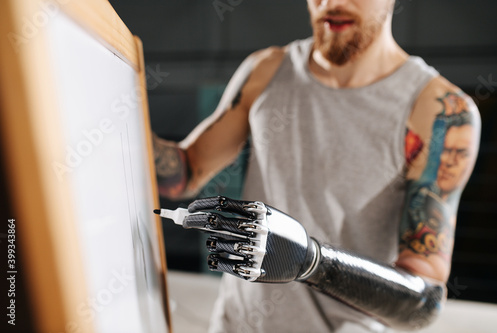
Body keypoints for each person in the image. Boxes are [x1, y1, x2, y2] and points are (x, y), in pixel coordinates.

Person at [153, 0, 480, 332]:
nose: (332, 3)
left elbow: (422, 301)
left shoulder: (438, 111)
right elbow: (185, 172)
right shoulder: (267, 69)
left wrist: (313, 262)